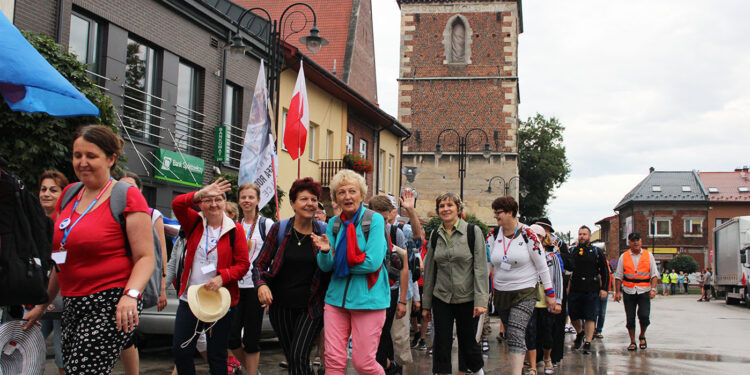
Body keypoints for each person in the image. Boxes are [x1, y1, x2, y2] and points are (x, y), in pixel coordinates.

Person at [23, 125, 156, 374]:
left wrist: (131, 295)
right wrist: (42, 305)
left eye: (91, 156)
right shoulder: (70, 194)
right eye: (77, 155)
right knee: (71, 368)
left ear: (111, 158)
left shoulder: (126, 195)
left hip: (111, 301)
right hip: (73, 302)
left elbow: (145, 257)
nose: (82, 162)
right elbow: (60, 261)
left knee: (82, 371)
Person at [312, 169, 390, 375]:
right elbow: (325, 266)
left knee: (363, 363)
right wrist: (327, 252)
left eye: (352, 191)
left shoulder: (374, 220)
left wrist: (340, 261)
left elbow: (372, 263)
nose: (347, 196)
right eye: (341, 192)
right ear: (335, 198)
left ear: (362, 195)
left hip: (369, 300)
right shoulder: (333, 223)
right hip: (336, 300)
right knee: (333, 362)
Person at [171, 178, 250, 375]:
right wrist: (199, 193)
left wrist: (223, 277)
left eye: (218, 199)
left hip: (220, 301)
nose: (213, 204)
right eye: (208, 200)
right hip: (191, 299)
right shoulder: (194, 222)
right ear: (201, 204)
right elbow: (177, 204)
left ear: (225, 203)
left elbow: (243, 265)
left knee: (216, 354)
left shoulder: (235, 229)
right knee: (181, 351)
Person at [253, 178, 331, 375]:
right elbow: (260, 263)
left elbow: (332, 269)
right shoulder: (279, 230)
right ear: (293, 203)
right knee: (295, 359)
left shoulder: (323, 232)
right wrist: (261, 284)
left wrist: (325, 251)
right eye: (304, 199)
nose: (310, 203)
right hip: (281, 307)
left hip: (311, 307)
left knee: (298, 356)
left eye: (314, 200)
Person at [423, 192, 489, 375]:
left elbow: (481, 268)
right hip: (441, 296)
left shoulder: (472, 232)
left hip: (467, 296)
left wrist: (481, 301)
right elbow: (430, 271)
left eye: (450, 205)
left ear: (458, 209)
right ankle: (441, 372)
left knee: (468, 342)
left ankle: (476, 370)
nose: (446, 209)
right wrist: (426, 304)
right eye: (442, 206)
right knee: (441, 342)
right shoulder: (435, 235)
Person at [488, 198, 554, 375]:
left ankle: (516, 372)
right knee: (511, 334)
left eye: (498, 212)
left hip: (525, 292)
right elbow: (487, 265)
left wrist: (550, 293)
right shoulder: (493, 235)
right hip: (501, 293)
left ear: (510, 212)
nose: (495, 216)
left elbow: (542, 265)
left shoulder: (528, 234)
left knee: (517, 331)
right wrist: (481, 291)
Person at [118, 171, 170, 375]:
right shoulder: (111, 211)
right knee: (121, 334)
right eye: (121, 187)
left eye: (131, 187)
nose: (126, 192)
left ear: (139, 191)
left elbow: (160, 253)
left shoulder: (151, 214)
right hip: (114, 281)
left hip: (136, 283)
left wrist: (162, 287)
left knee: (126, 333)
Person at [228, 183, 274, 375]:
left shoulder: (266, 224)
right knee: (231, 337)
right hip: (236, 286)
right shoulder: (232, 225)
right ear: (239, 200)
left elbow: (274, 256)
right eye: (243, 197)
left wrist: (270, 287)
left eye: (250, 197)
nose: (247, 201)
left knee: (251, 338)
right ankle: (251, 371)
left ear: (257, 200)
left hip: (256, 286)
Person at [369, 195, 409, 375]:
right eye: (378, 218)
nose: (382, 223)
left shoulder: (395, 232)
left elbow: (404, 267)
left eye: (385, 219)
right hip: (368, 290)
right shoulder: (363, 230)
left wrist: (402, 300)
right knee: (372, 336)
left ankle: (389, 367)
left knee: (384, 334)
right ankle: (387, 366)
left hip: (389, 291)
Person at [37, 170, 68, 375]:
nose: (46, 193)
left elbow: (61, 263)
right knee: (25, 347)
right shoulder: (34, 221)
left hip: (61, 298)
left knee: (61, 355)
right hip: (37, 297)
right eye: (43, 189)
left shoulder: (64, 222)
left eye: (53, 190)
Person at [534, 218, 571, 369]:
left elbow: (558, 279)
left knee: (547, 330)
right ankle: (532, 362)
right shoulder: (528, 255)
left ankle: (548, 359)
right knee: (531, 332)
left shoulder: (553, 256)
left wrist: (559, 301)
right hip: (531, 298)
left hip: (548, 298)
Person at [568, 225, 609, 355]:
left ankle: (588, 342)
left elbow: (605, 272)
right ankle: (580, 333)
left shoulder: (597, 252)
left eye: (585, 234)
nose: (582, 236)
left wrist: (604, 288)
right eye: (580, 234)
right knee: (573, 315)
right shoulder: (572, 251)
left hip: (592, 288)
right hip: (576, 287)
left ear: (589, 236)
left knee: (590, 316)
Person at [614, 232, 659, 351]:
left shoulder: (648, 256)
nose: (635, 242)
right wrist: (617, 292)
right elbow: (618, 276)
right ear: (629, 242)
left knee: (644, 316)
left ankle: (642, 335)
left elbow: (654, 275)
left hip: (644, 290)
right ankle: (632, 341)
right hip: (629, 290)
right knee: (630, 317)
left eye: (637, 240)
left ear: (641, 241)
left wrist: (653, 290)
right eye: (633, 240)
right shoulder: (624, 257)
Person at [594, 259, 612, 340]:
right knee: (593, 311)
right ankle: (592, 329)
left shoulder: (606, 263)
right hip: (593, 290)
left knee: (602, 312)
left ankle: (599, 331)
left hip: (604, 290)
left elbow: (611, 275)